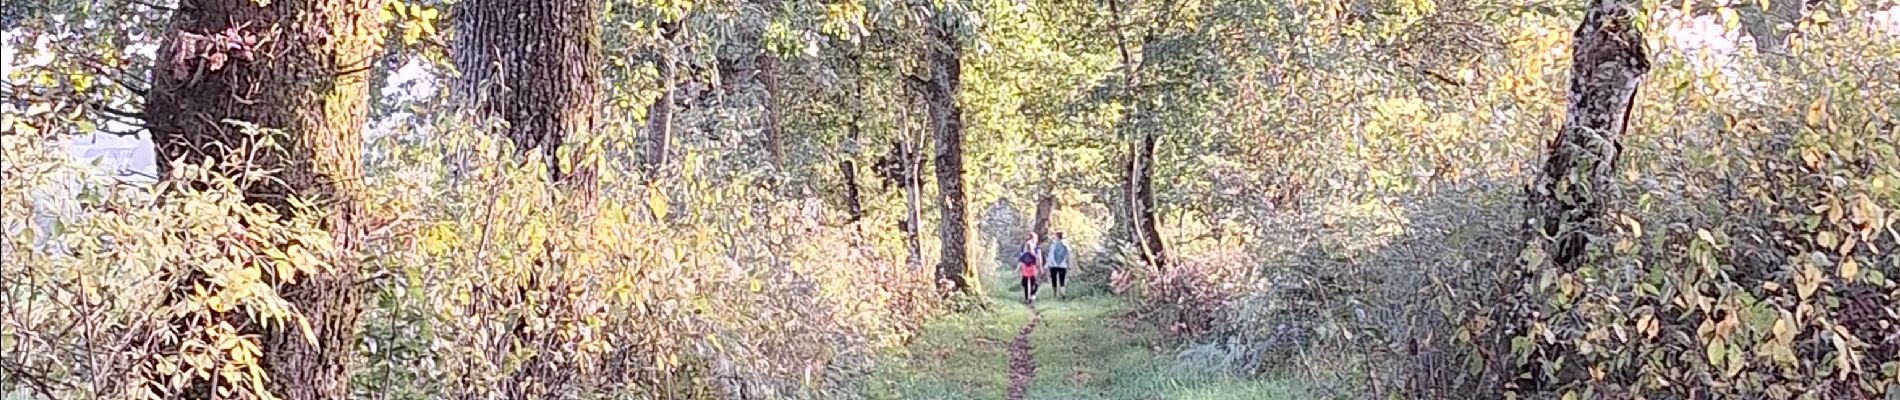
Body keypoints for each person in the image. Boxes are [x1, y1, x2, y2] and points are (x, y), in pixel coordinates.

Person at [1046, 232, 1072, 298]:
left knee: (1054, 280)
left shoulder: (1053, 245)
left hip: (1053, 265)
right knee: (1062, 281)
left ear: (1057, 237)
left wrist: (1048, 265)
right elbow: (1068, 256)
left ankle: (1055, 295)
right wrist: (1069, 265)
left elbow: (1050, 256)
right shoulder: (1066, 246)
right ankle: (1063, 294)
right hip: (1062, 265)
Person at [1017, 233, 1041, 303]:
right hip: (1029, 270)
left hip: (1029, 270)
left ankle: (1029, 297)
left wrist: (1018, 270)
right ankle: (1029, 296)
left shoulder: (1035, 250)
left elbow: (1021, 261)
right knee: (1028, 284)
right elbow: (1021, 261)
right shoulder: (1028, 252)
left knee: (1030, 284)